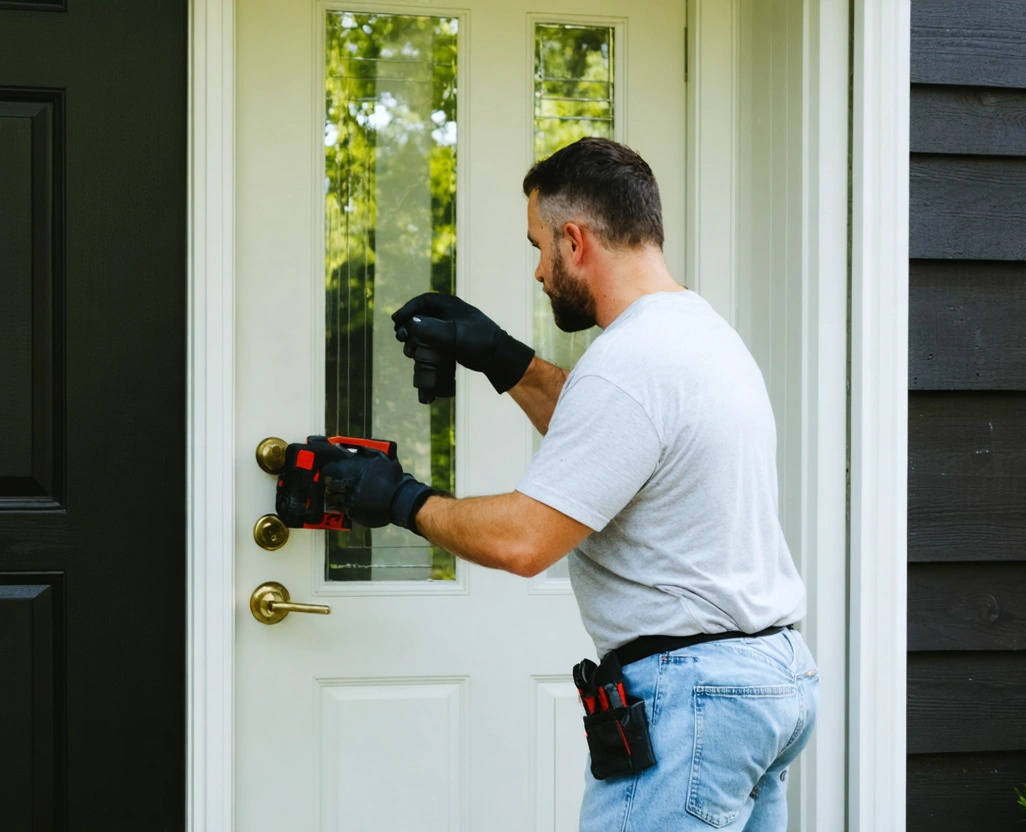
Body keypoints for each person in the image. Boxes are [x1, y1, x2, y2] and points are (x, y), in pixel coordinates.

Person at [321, 137, 819, 832]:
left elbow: (526, 542)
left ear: (575, 240)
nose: (538, 271)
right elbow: (622, 442)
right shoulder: (697, 334)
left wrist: (401, 498)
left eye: (540, 247)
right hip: (768, 679)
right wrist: (507, 361)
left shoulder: (629, 362)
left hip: (692, 699)